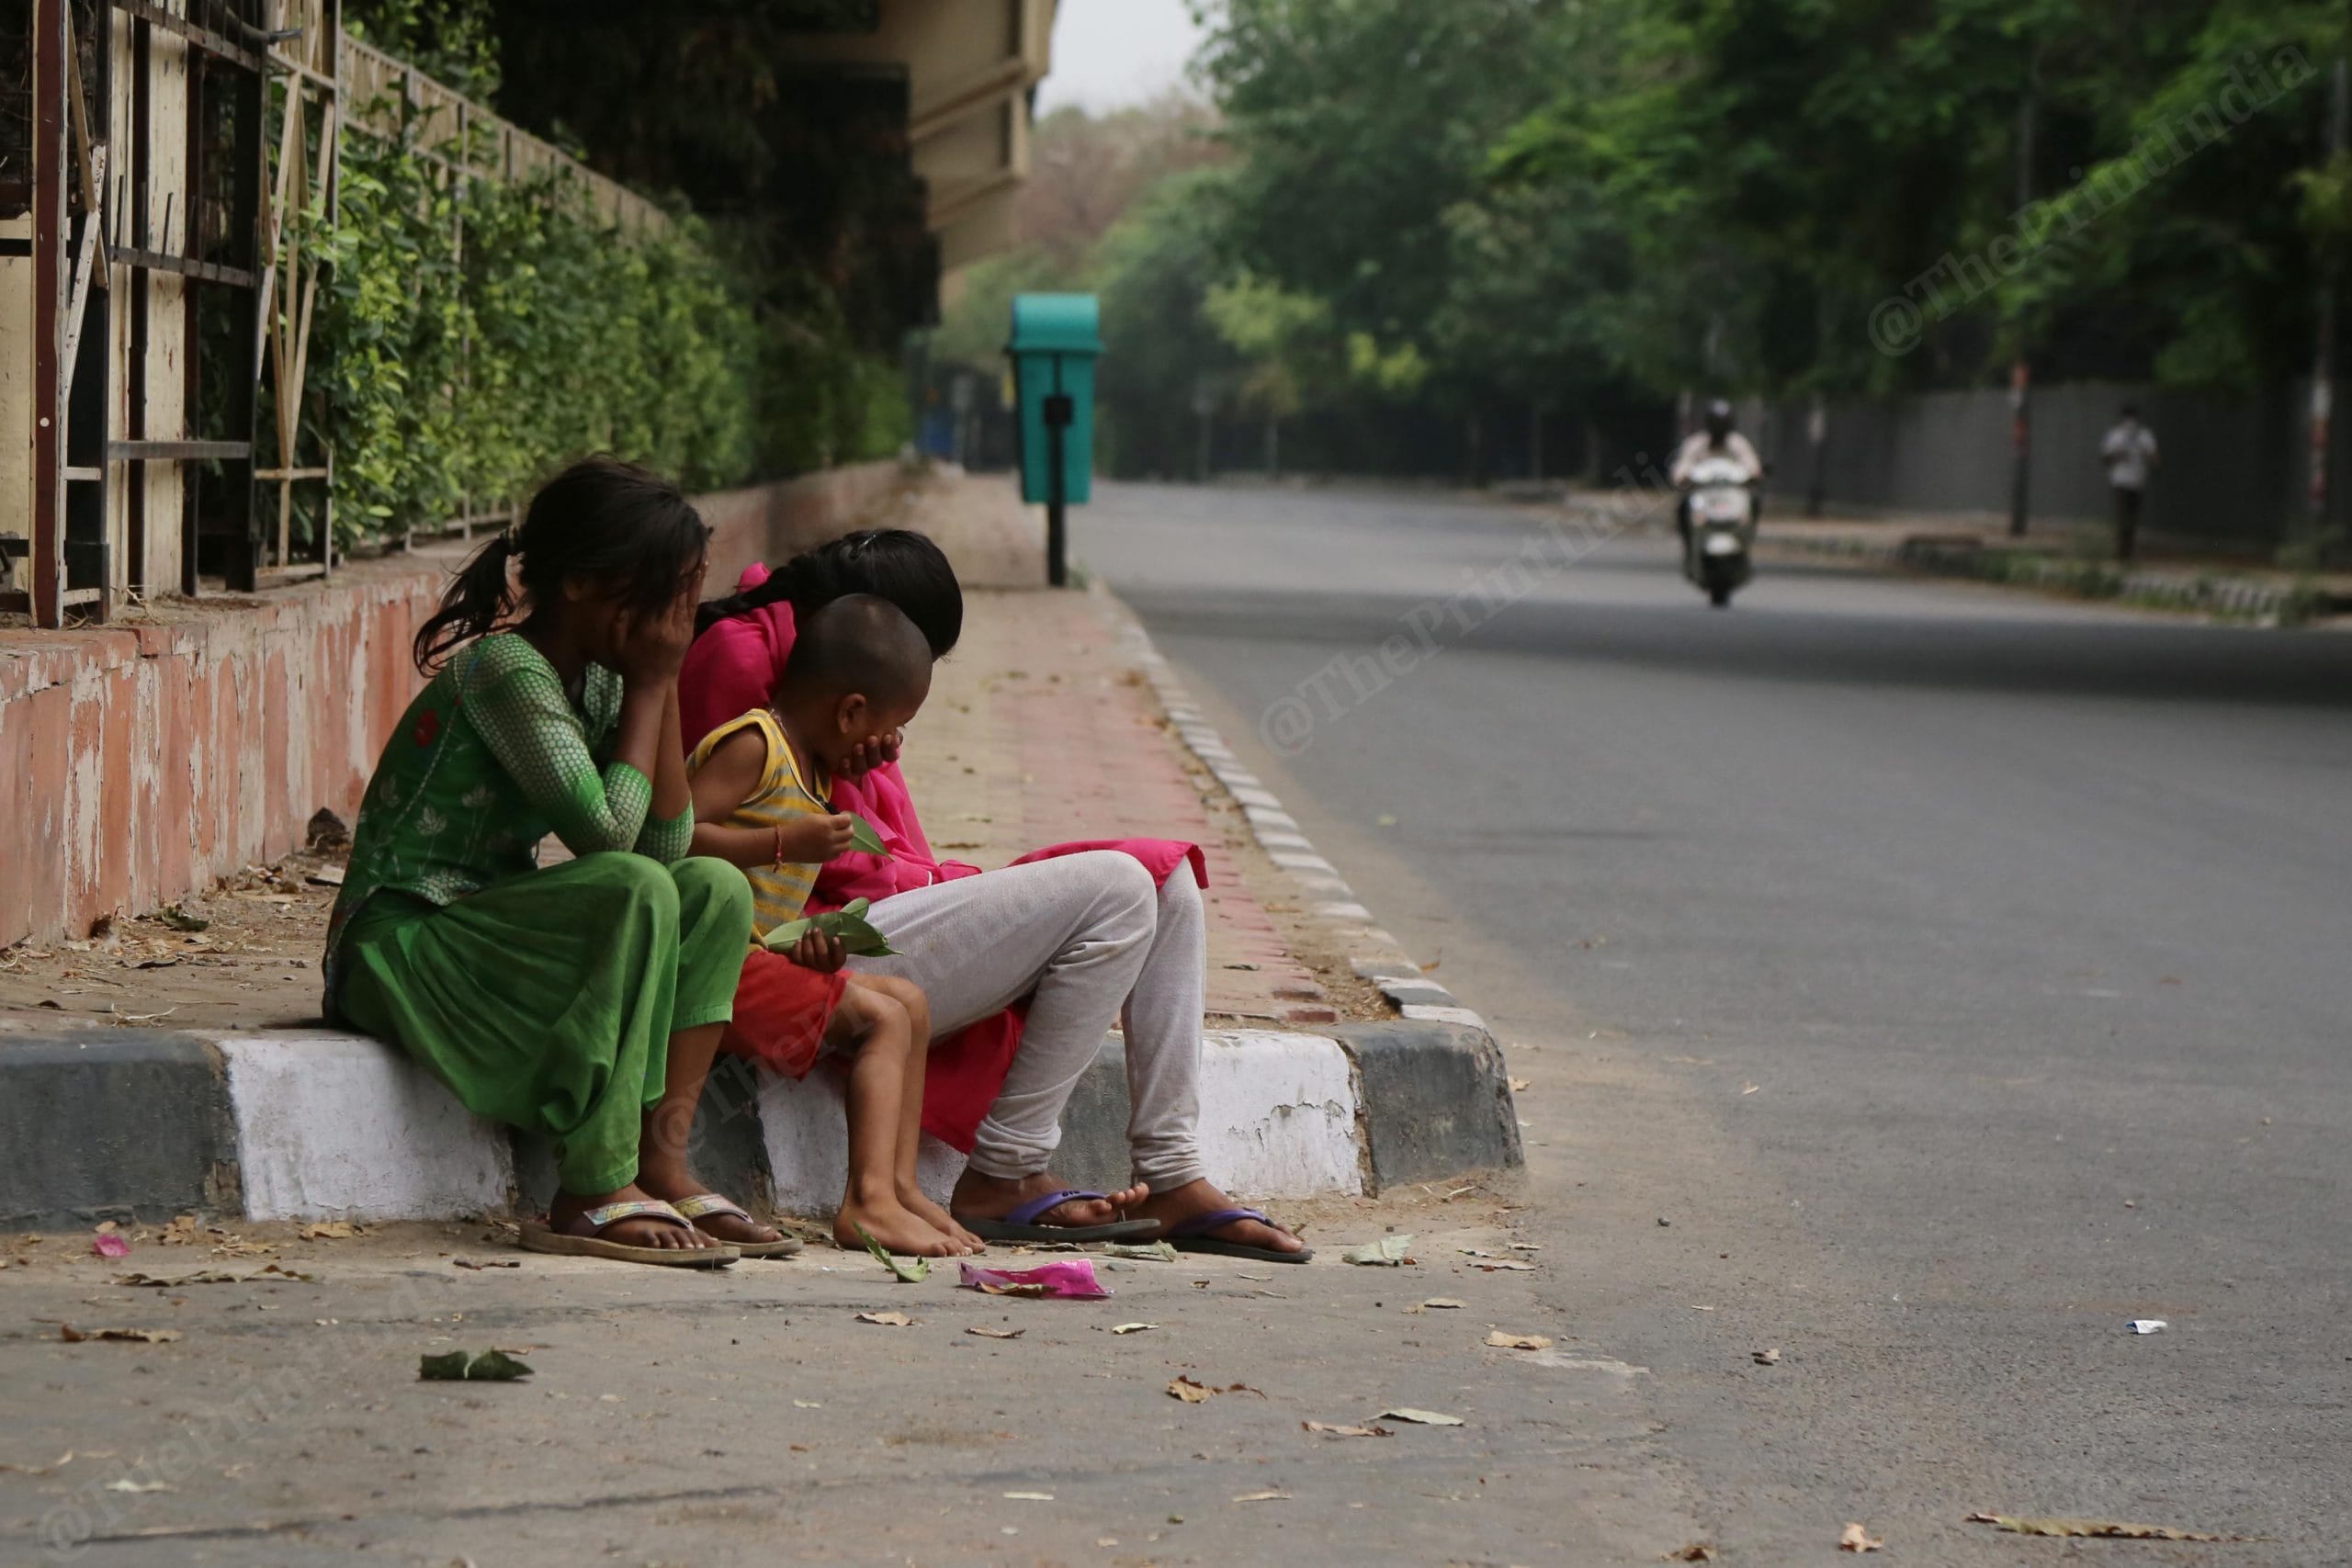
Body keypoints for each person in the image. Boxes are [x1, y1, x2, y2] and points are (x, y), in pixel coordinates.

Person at [681, 536, 1314, 1263]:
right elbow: (712, 848)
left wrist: (865, 779)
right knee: (1115, 887)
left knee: (1168, 882)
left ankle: (1172, 1171)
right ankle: (1005, 1167)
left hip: (876, 910)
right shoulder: (741, 659)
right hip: (804, 943)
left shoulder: (830, 686)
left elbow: (882, 843)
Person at [325, 457, 758, 1268]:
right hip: (400, 944)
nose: (676, 618)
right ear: (584, 584)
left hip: (484, 933)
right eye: (663, 593)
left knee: (714, 888)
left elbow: (666, 844)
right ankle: (593, 1185)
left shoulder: (600, 681)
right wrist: (656, 681)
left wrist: (654, 689)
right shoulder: (506, 670)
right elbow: (606, 838)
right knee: (631, 888)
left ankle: (660, 1154)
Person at [684, 594, 978, 1258]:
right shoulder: (754, 744)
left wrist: (808, 952)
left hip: (756, 957)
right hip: (708, 962)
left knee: (911, 1002)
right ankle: (867, 1202)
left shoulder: (814, 764)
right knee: (882, 1019)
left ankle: (900, 1189)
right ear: (850, 711)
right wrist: (785, 840)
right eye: (887, 726)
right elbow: (673, 842)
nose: (887, 745)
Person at [1669, 399, 1764, 556]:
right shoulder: (1697, 443)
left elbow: (1751, 464)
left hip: (1731, 496)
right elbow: (1683, 465)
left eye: (1723, 423)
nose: (1719, 427)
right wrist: (1682, 477)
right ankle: (1688, 542)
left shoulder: (1738, 443)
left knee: (1754, 501)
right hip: (1704, 496)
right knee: (1683, 505)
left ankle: (1747, 539)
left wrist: (1755, 475)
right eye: (1716, 422)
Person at [2100, 404, 2160, 562]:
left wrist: (2145, 452)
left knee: (2133, 518)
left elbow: (2155, 459)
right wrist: (2119, 453)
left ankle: (2129, 550)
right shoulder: (2116, 434)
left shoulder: (2144, 435)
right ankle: (2121, 552)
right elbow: (2105, 458)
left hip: (2138, 481)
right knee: (2122, 517)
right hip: (2121, 481)